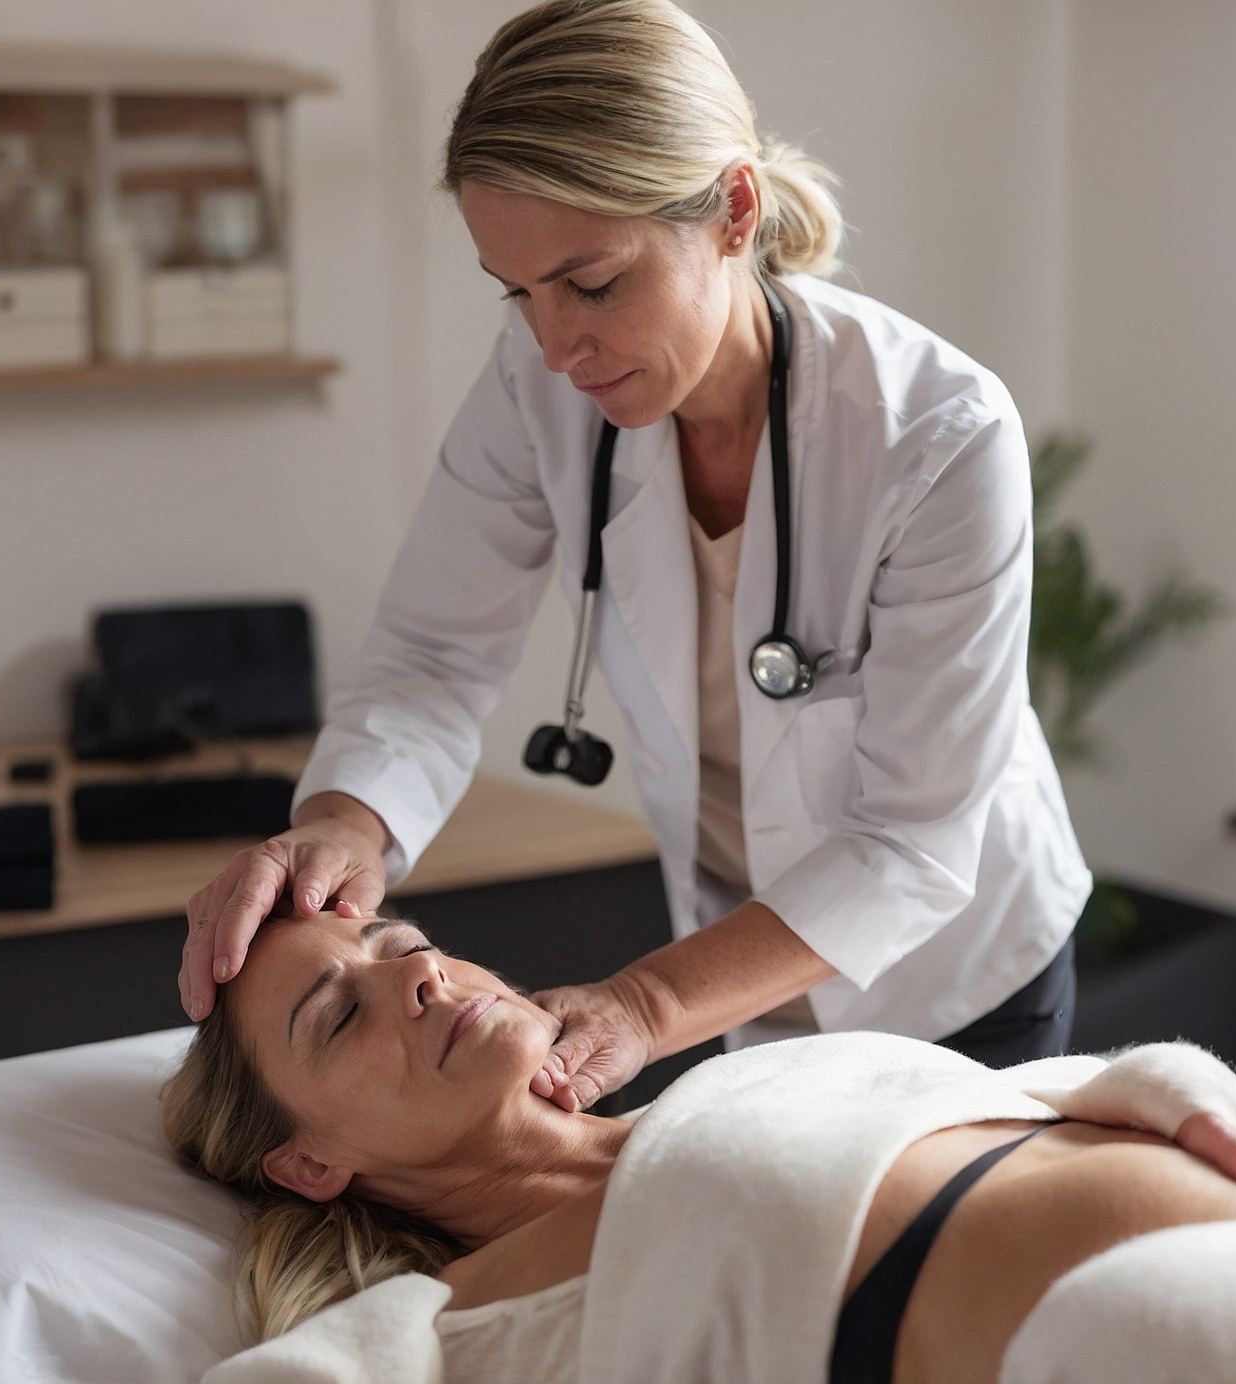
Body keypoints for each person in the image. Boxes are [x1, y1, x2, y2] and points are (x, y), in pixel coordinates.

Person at [182, 0, 1097, 1109]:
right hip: (741, 973)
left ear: (733, 211)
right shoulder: (538, 387)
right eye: (518, 293)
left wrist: (648, 1007)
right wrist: (343, 823)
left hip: (956, 979)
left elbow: (910, 843)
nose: (555, 347)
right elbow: (433, 654)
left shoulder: (938, 435)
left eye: (593, 284)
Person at [165, 911, 1236, 1382]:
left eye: (397, 941)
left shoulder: (734, 1084)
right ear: (308, 1164)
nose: (416, 976)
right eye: (339, 1013)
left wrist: (1159, 1080)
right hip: (1190, 1333)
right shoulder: (456, 1312)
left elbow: (975, 1104)